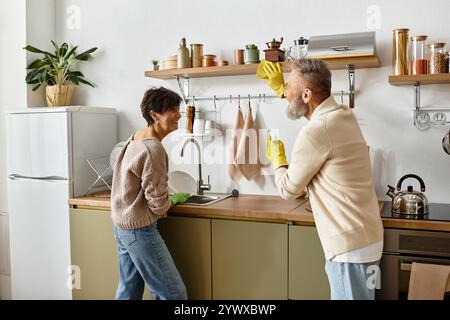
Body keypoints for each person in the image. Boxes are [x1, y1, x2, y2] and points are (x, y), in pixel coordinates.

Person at [262, 59, 384, 300]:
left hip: (349, 251)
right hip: (367, 241)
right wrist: (287, 93)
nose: (286, 93)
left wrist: (278, 161)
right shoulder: (344, 116)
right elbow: (313, 116)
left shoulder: (316, 132)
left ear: (306, 94)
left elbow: (288, 190)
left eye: (289, 87)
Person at [111, 87, 190, 300]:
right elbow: (157, 204)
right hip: (139, 230)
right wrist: (172, 199)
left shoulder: (135, 138)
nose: (178, 115)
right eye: (172, 110)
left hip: (122, 225)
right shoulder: (153, 148)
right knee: (174, 294)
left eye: (178, 108)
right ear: (154, 115)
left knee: (129, 290)